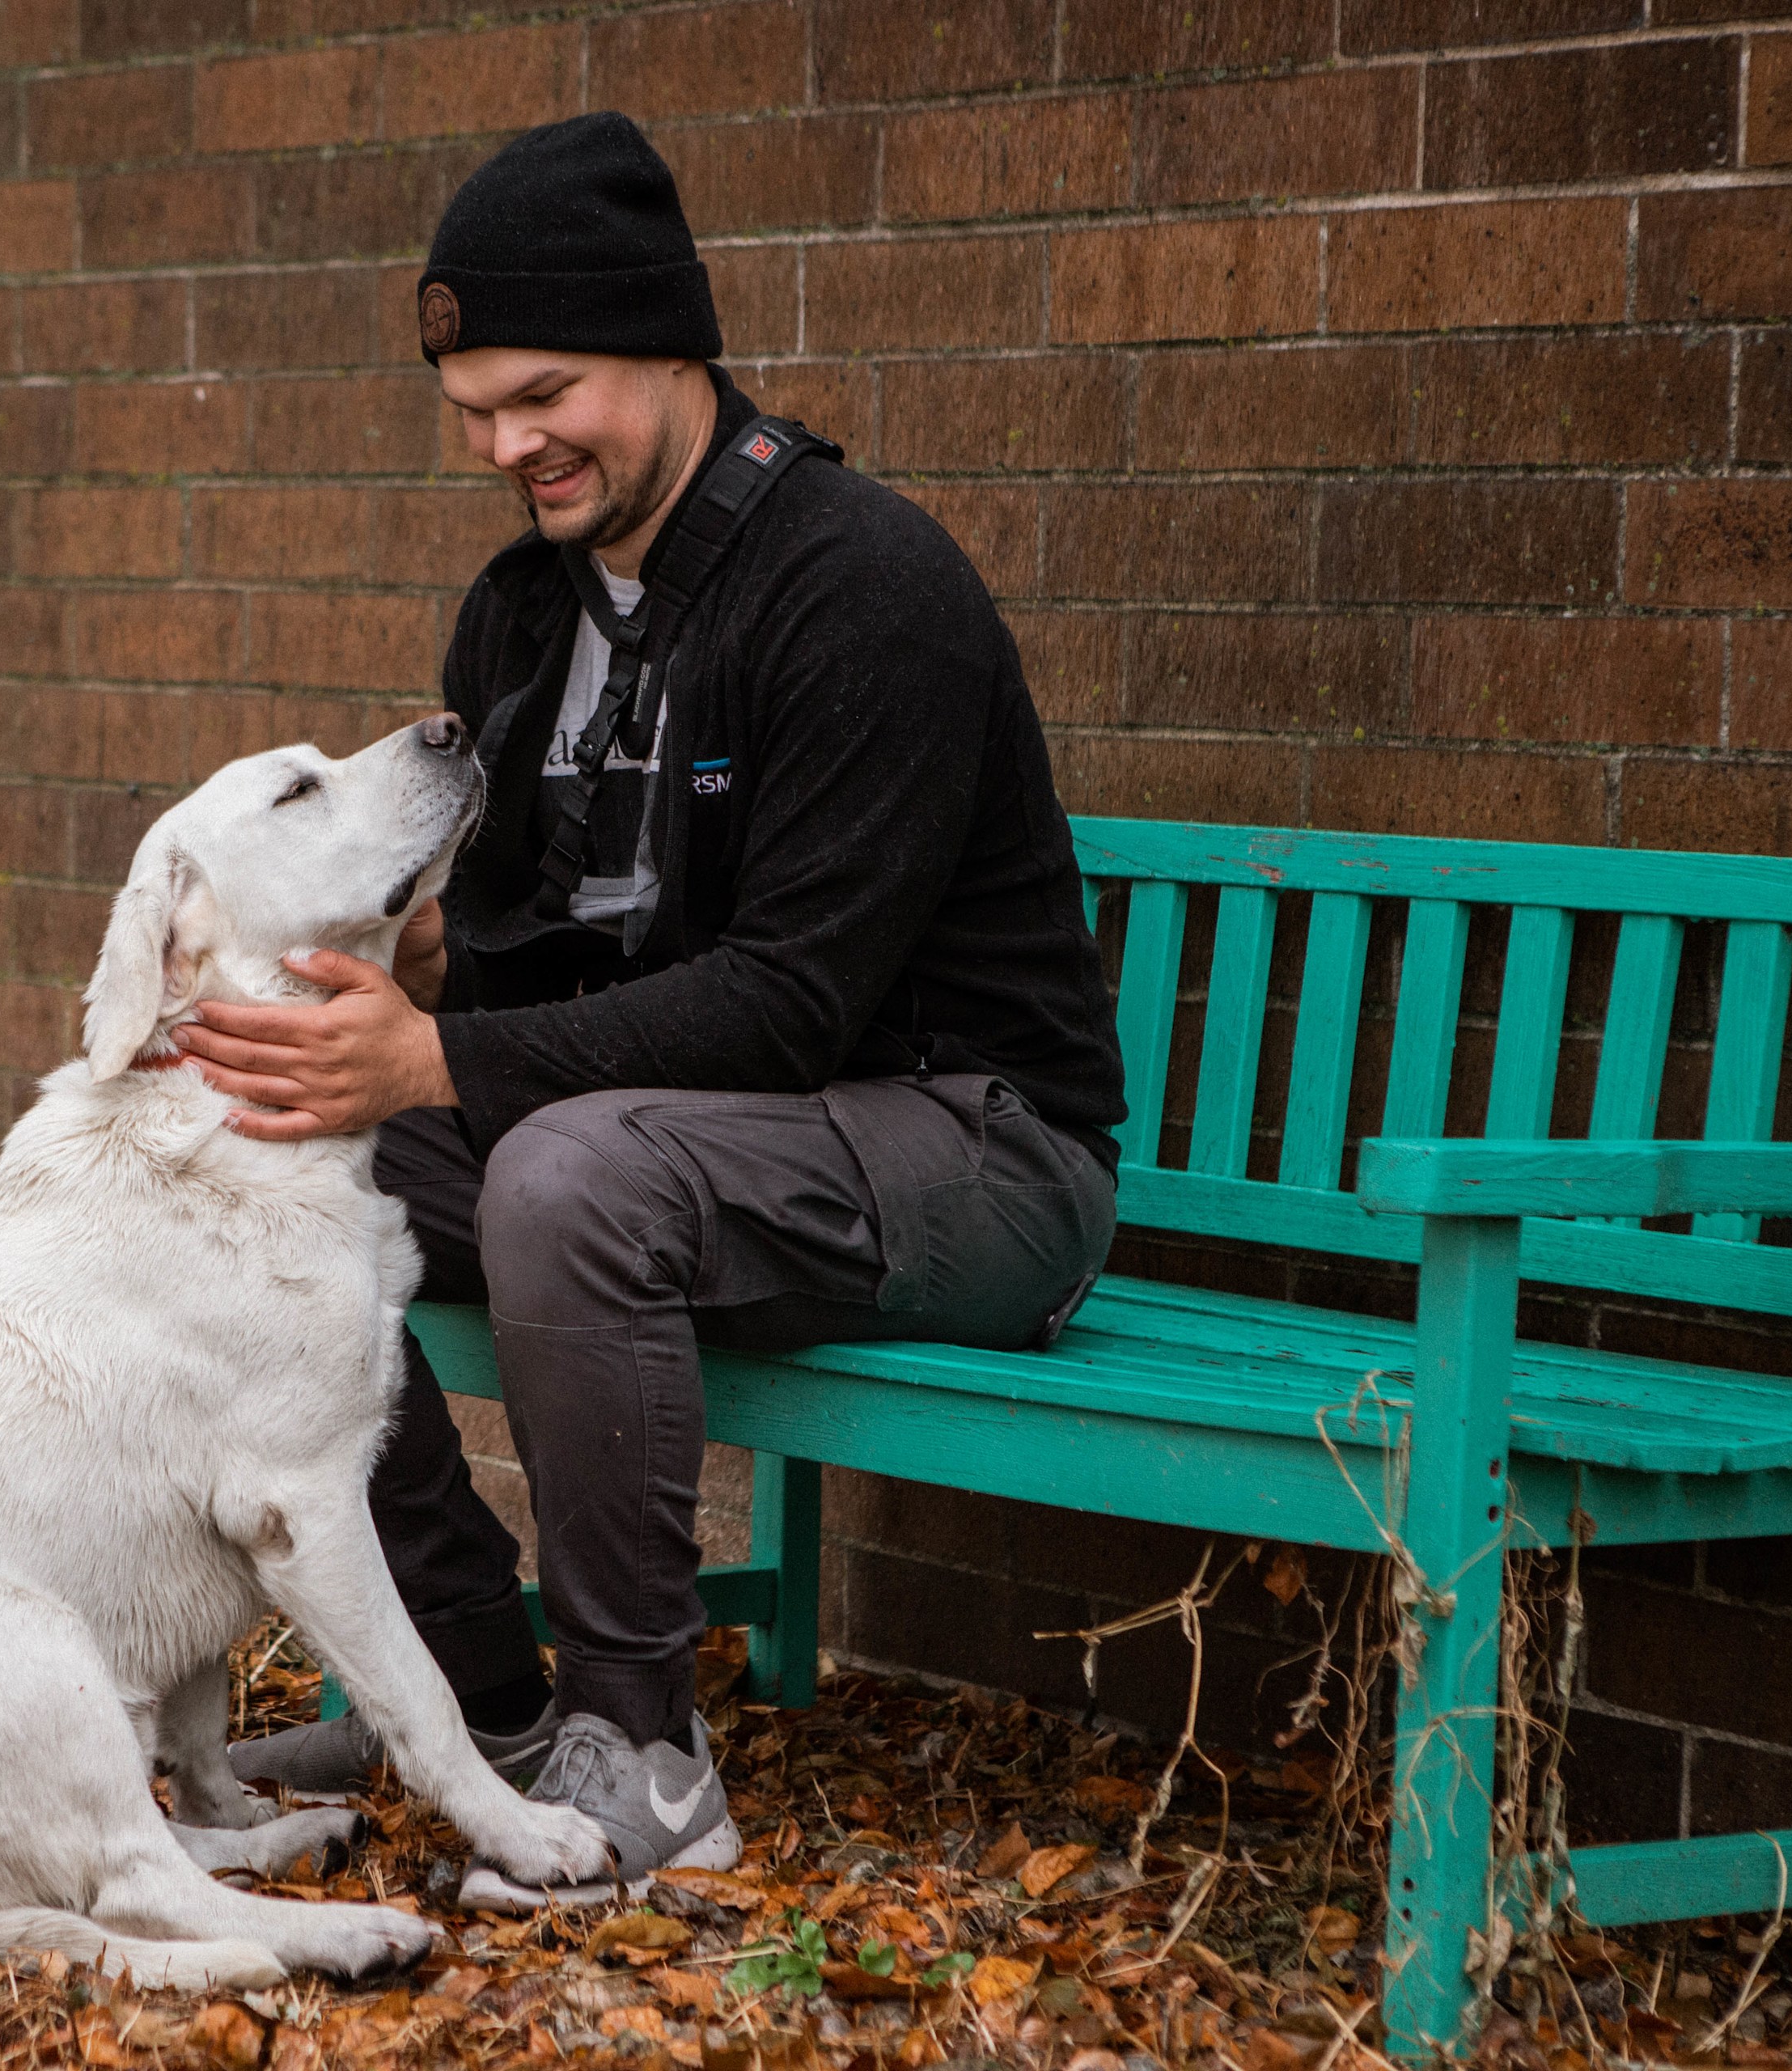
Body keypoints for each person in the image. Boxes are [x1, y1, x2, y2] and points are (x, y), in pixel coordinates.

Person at [168, 111, 1127, 1909]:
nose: (509, 445)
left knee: (566, 1178)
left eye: (546, 393)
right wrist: (427, 983)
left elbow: (791, 1003)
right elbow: (534, 954)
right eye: (473, 412)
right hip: (684, 1136)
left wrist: (442, 1055)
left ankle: (645, 1753)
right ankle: (473, 1695)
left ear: (674, 345)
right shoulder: (524, 620)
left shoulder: (863, 589)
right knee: (272, 1155)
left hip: (976, 1148)